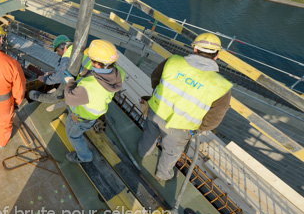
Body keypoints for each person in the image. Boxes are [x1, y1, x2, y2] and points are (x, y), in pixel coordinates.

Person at [137, 33, 232, 182]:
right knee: (171, 152)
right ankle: (163, 174)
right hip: (181, 127)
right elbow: (214, 117)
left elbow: (155, 77)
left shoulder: (173, 61)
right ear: (217, 56)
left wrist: (159, 96)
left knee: (149, 134)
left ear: (194, 49)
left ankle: (142, 153)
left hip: (156, 111)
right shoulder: (221, 86)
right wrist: (200, 128)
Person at [65, 39, 124, 163]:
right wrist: (85, 72)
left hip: (82, 118)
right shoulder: (118, 72)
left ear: (97, 63)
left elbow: (70, 98)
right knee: (79, 130)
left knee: (73, 136)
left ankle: (84, 157)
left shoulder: (89, 86)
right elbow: (101, 76)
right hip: (94, 112)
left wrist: (70, 82)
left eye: (91, 60)